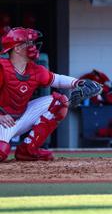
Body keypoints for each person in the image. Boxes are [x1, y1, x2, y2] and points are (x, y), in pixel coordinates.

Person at [0, 28, 100, 162]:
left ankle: (28, 150)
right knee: (1, 151)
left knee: (59, 103)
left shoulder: (35, 69)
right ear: (17, 48)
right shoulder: (2, 67)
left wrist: (79, 83)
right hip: (2, 120)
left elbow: (57, 79)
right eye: (28, 43)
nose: (33, 46)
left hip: (19, 117)